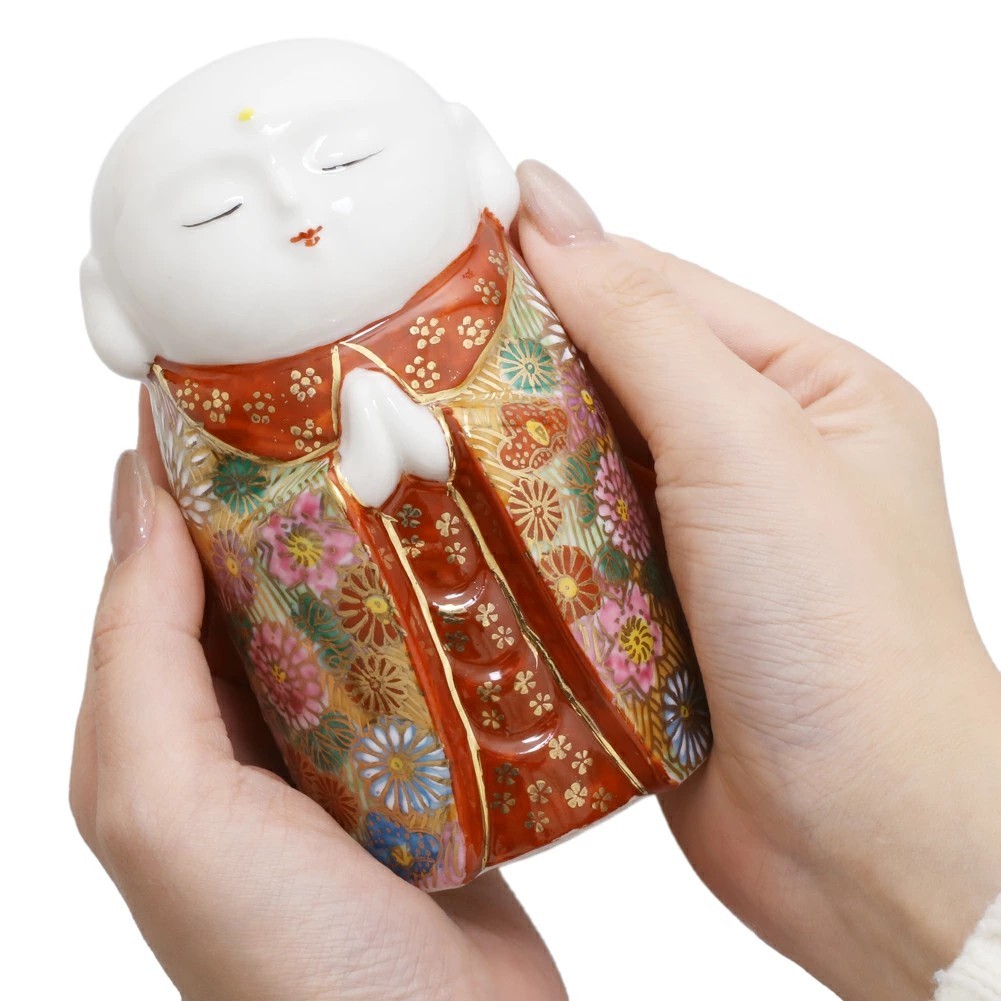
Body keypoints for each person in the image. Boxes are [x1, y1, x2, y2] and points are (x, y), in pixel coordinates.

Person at [70, 160, 1001, 1000]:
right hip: (405, 768)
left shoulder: (499, 308)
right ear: (110, 312)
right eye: (216, 210)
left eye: (344, 160)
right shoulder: (206, 417)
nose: (293, 205)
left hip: (610, 680)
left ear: (470, 157)